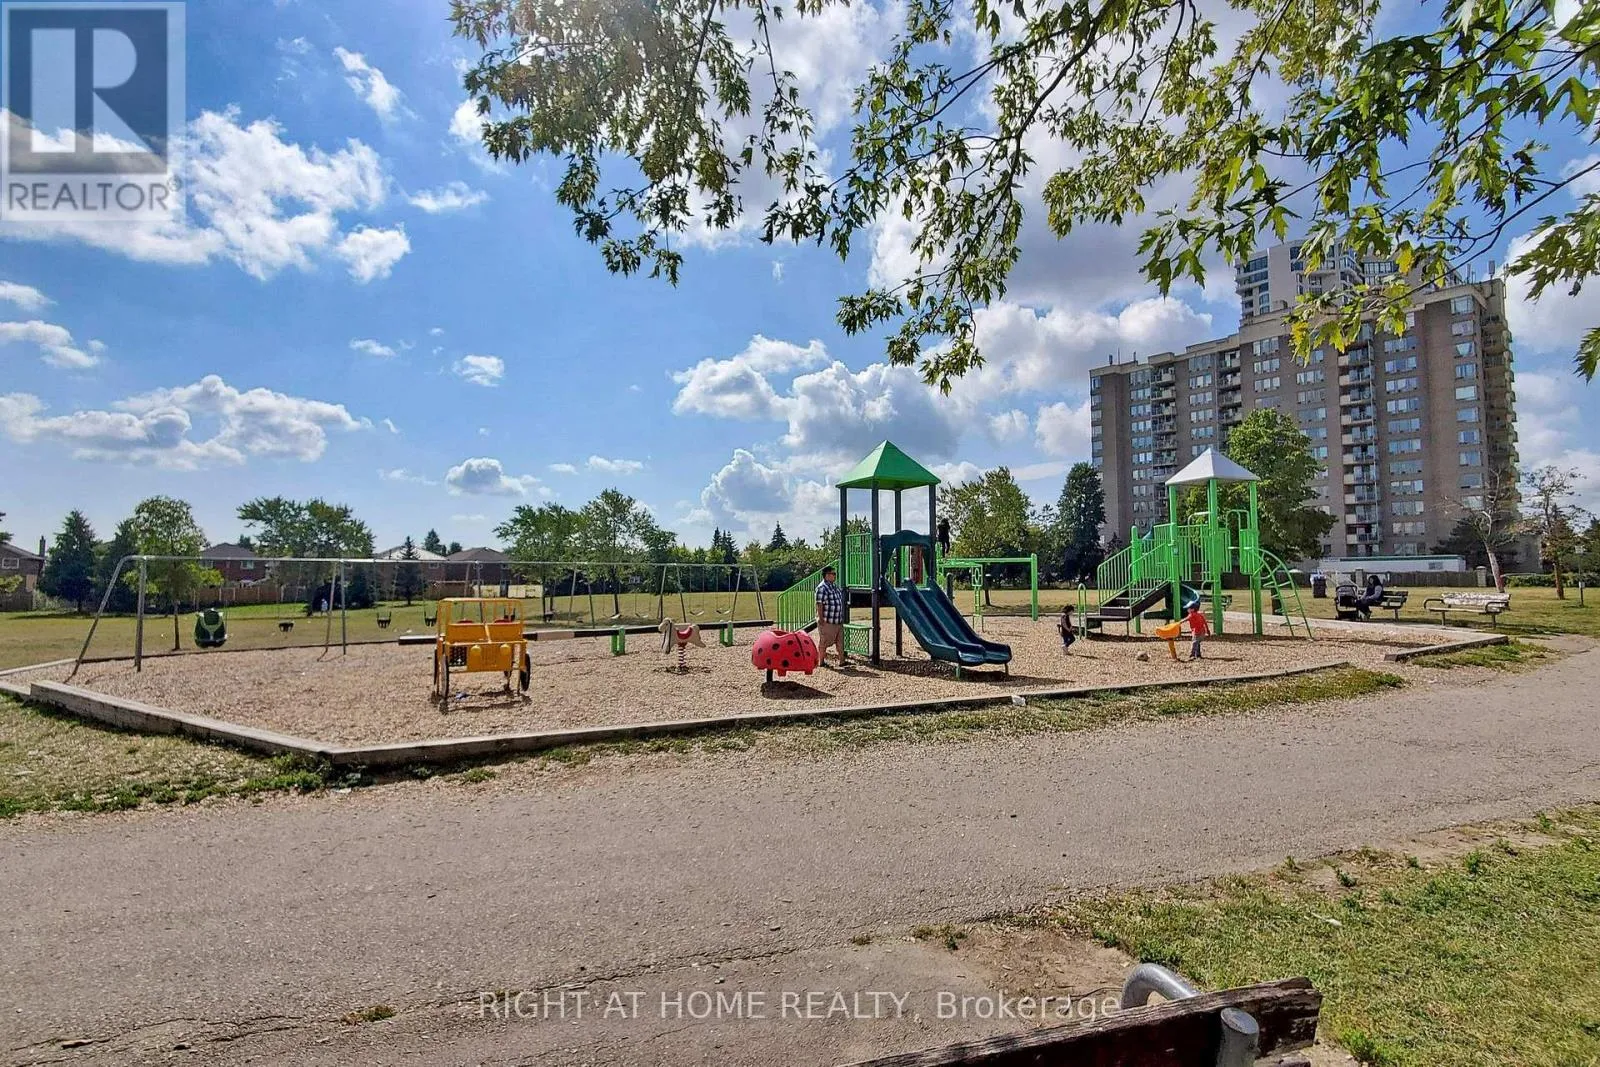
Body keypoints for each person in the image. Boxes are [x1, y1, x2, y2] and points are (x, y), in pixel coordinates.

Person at [815, 565, 847, 667]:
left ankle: (842, 661)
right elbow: (819, 604)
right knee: (824, 641)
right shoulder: (822, 588)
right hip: (828, 620)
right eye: (833, 574)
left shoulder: (834, 586)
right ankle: (821, 662)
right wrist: (821, 618)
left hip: (837, 620)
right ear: (827, 575)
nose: (835, 576)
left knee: (840, 642)